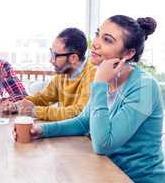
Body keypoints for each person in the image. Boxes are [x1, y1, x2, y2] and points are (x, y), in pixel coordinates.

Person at [18, 15, 165, 182]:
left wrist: (100, 83)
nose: (95, 43)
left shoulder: (144, 87)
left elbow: (104, 144)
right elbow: (83, 122)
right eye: (98, 34)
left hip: (135, 178)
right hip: (106, 171)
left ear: (129, 53)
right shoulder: (108, 79)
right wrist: (42, 131)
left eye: (107, 40)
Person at [0, 28, 96, 121]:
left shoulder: (93, 74)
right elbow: (43, 97)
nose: (51, 60)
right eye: (51, 53)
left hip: (84, 136)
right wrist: (16, 105)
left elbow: (79, 112)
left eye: (55, 56)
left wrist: (34, 111)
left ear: (73, 58)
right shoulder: (63, 74)